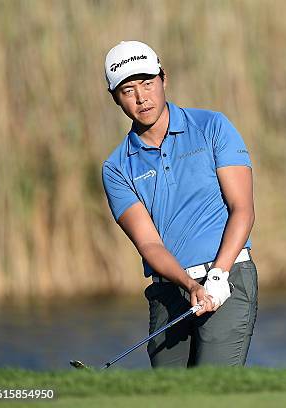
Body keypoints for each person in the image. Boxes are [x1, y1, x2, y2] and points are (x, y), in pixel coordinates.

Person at [101, 40, 258, 367]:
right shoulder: (117, 168)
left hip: (227, 277)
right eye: (128, 90)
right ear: (115, 97)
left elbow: (242, 210)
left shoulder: (212, 127)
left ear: (163, 79)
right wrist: (188, 285)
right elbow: (148, 243)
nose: (142, 97)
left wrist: (217, 275)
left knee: (213, 391)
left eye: (147, 83)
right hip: (169, 292)